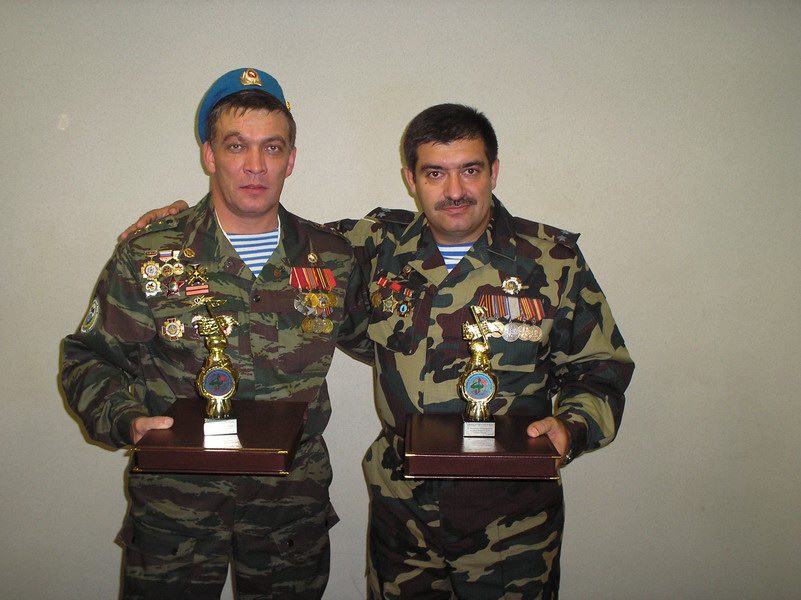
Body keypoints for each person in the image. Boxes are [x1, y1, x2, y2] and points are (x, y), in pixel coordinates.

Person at [125, 103, 634, 599]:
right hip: (403, 511)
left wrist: (574, 427)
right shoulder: (372, 245)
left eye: (470, 170)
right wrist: (178, 226)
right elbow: (267, 229)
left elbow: (601, 368)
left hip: (512, 517)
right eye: (434, 173)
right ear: (410, 179)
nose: (454, 191)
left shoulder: (551, 260)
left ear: (493, 172)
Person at [60, 67, 363, 600]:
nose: (255, 164)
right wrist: (126, 419)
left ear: (291, 159)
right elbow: (88, 357)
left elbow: (390, 329)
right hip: (176, 505)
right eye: (236, 145)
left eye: (272, 147)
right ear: (209, 155)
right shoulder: (150, 252)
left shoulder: (333, 257)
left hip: (288, 507)